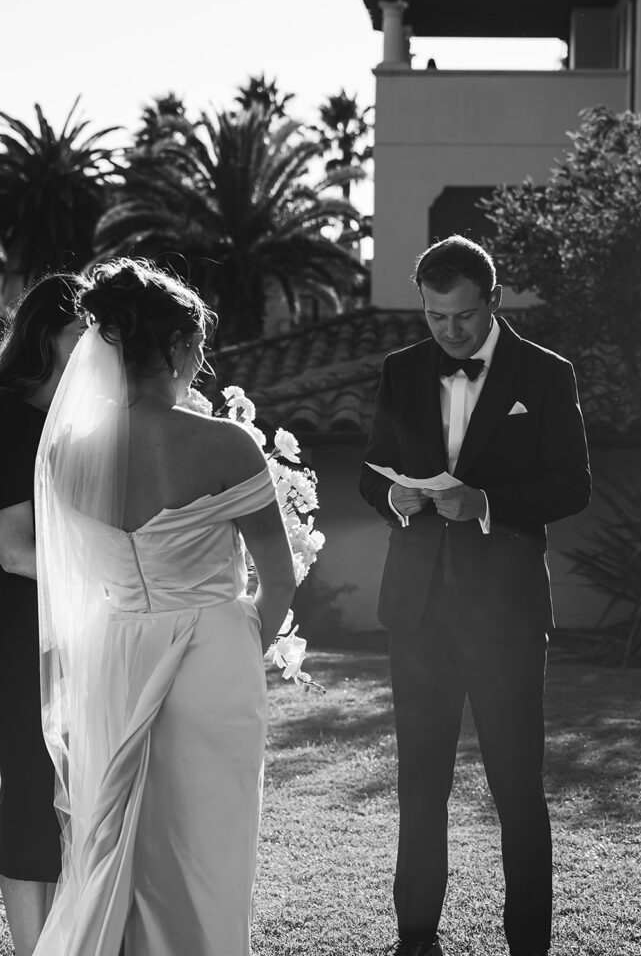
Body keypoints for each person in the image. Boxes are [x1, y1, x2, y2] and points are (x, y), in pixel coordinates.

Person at [33, 258, 296, 956]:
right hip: (213, 663)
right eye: (198, 345)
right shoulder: (225, 444)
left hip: (114, 659)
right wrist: (235, 646)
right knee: (210, 852)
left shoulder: (65, 455)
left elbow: (78, 581)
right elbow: (280, 580)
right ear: (179, 347)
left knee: (124, 843)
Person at [359, 235, 591, 956]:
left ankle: (528, 944)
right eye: (435, 317)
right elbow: (370, 473)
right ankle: (415, 938)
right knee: (419, 789)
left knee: (518, 793)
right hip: (417, 614)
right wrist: (395, 495)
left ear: (493, 300)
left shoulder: (546, 375)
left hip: (508, 621)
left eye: (462, 316)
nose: (449, 331)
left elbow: (572, 485)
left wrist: (487, 502)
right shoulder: (400, 371)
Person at [0, 273, 85, 956]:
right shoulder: (7, 414)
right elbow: (13, 549)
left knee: (58, 792)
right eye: (86, 328)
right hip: (16, 633)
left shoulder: (67, 420)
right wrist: (119, 582)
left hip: (58, 628)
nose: (98, 344)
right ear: (49, 333)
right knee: (31, 793)